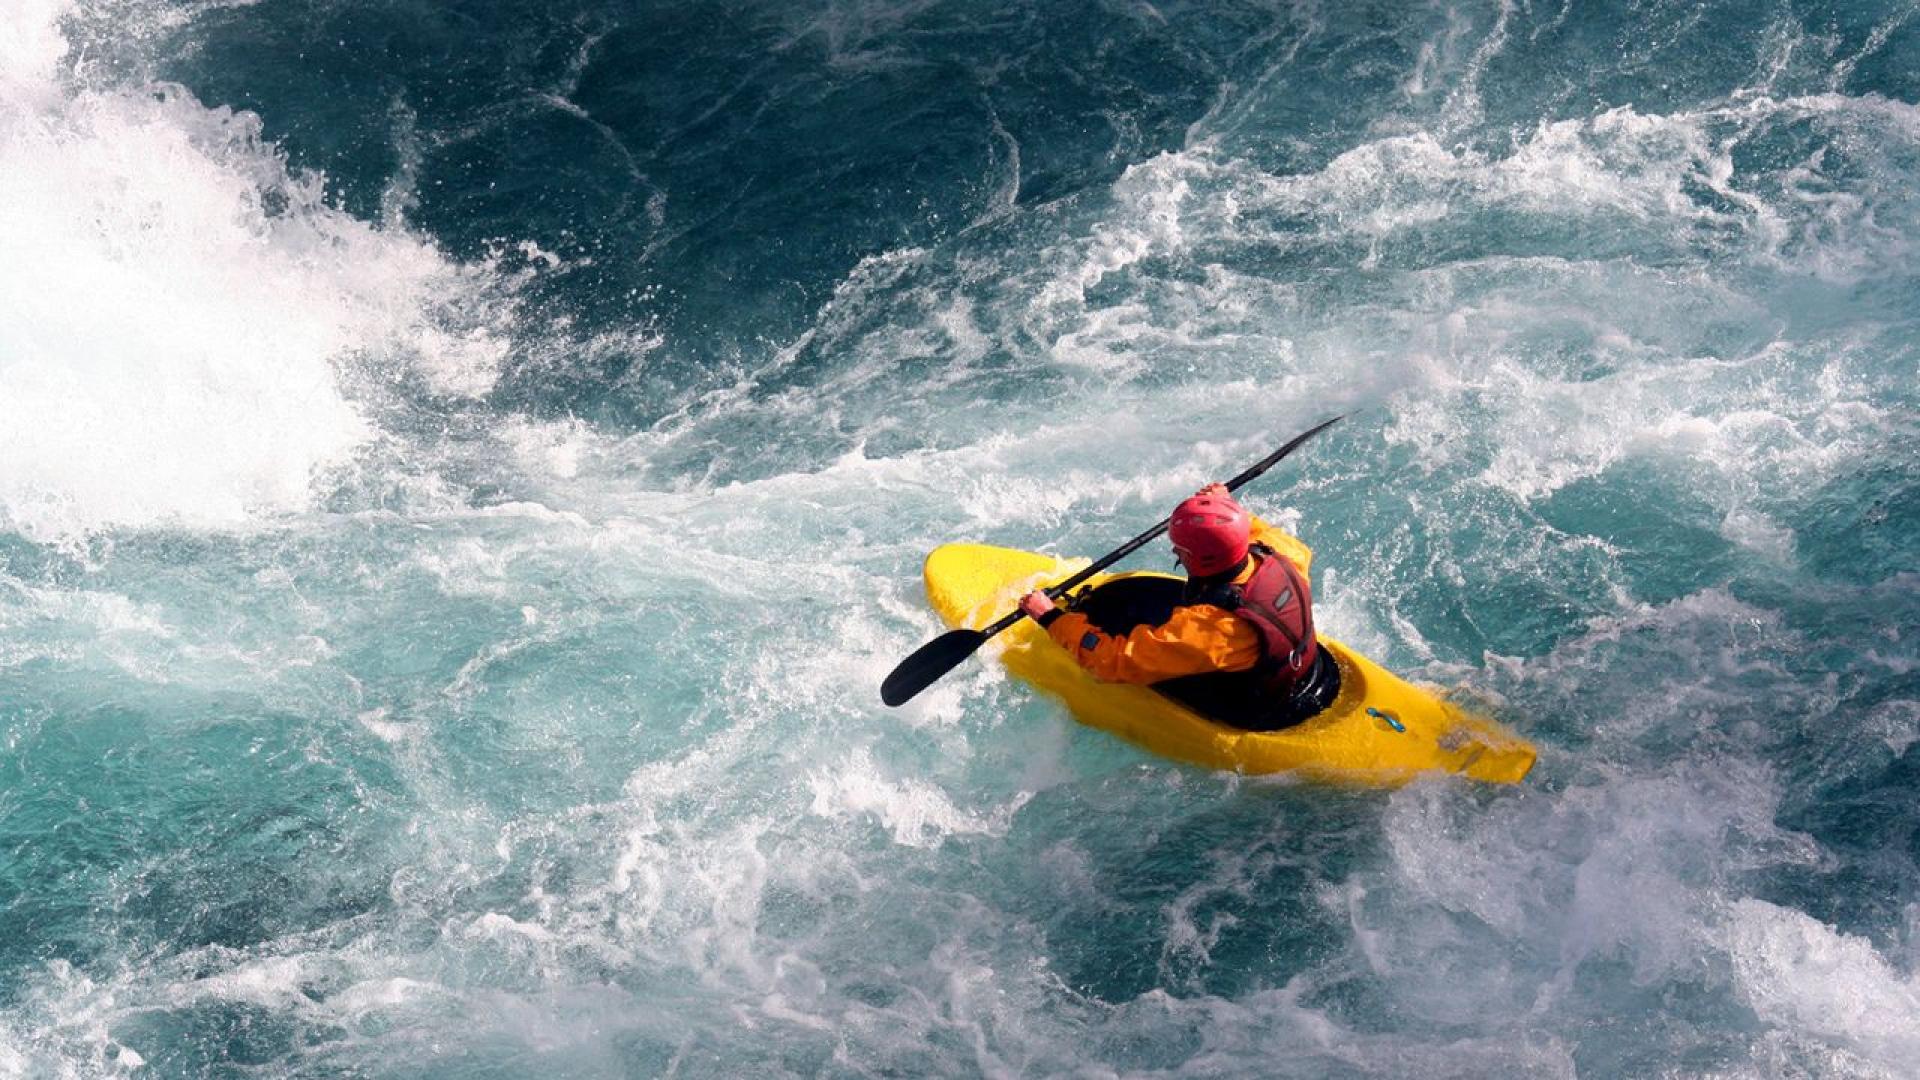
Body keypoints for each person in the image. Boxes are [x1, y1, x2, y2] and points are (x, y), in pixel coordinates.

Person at [1016, 483, 1340, 730]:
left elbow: (1115, 663)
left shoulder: (1210, 630)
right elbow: (1251, 529)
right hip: (1307, 671)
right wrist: (1219, 504)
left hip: (1254, 703)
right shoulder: (1282, 553)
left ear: (1193, 558)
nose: (1175, 551)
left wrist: (1051, 618)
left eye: (1178, 550)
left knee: (1122, 646)